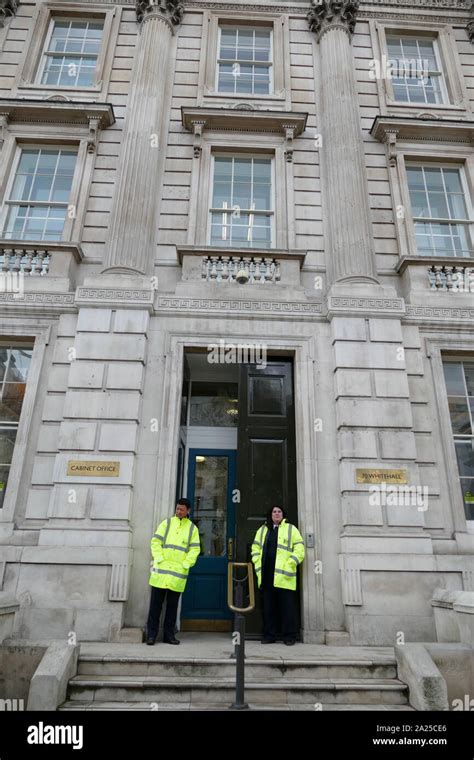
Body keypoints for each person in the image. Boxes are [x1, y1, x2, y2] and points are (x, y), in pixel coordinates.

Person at [145, 498, 200, 645]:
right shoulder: (167, 523)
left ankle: (169, 636)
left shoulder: (192, 529)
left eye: (182, 509)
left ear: (188, 511)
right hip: (161, 572)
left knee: (172, 607)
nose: (179, 511)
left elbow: (195, 549)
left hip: (177, 574)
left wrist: (185, 564)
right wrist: (159, 558)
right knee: (155, 606)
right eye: (177, 509)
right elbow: (155, 541)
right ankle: (151, 635)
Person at [251, 505, 305, 646]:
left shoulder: (291, 529)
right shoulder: (263, 530)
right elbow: (255, 548)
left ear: (283, 514)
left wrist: (291, 563)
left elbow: (300, 549)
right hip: (267, 575)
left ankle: (289, 636)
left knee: (287, 608)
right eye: (274, 512)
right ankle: (269, 635)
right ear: (270, 514)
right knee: (269, 608)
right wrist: (257, 562)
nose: (276, 514)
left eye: (279, 511)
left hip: (284, 577)